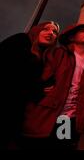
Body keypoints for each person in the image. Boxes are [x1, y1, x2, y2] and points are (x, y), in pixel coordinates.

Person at [21, 23, 84, 149]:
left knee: (61, 145)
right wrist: (40, 88)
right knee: (36, 144)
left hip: (68, 117)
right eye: (83, 31)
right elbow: (40, 76)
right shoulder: (57, 53)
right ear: (71, 37)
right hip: (47, 111)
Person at [0, 21, 59, 149]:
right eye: (46, 29)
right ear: (36, 31)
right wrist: (36, 88)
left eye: (55, 32)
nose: (51, 33)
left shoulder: (45, 57)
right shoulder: (21, 40)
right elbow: (9, 71)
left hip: (15, 108)